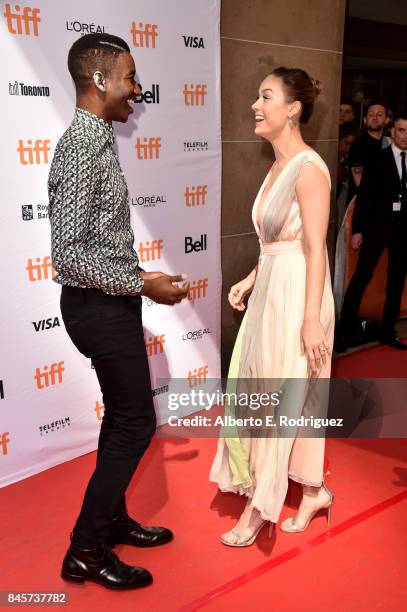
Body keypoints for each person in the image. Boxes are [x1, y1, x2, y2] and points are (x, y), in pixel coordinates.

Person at [48, 33, 189, 589]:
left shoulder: (99, 137)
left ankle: (109, 521)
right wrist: (140, 283)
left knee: (124, 420)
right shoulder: (81, 145)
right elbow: (69, 253)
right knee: (136, 422)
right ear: (101, 80)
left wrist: (134, 284)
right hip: (97, 308)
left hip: (110, 303)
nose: (137, 88)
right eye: (130, 77)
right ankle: (85, 549)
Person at [210, 67, 335, 546]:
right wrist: (250, 278)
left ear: (293, 109)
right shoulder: (275, 166)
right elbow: (276, 243)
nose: (255, 107)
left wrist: (310, 320)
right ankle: (313, 490)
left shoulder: (309, 168)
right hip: (271, 290)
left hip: (299, 296)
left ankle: (258, 509)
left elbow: (314, 249)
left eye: (266, 97)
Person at [336, 112, 407, 351]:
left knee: (396, 282)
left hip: (403, 232)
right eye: (401, 130)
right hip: (377, 228)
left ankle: (388, 331)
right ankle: (343, 331)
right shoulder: (378, 158)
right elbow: (364, 196)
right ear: (392, 132)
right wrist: (358, 231)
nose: (405, 136)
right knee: (361, 278)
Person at [347, 101, 390, 203]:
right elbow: (359, 183)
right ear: (365, 120)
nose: (375, 117)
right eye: (371, 114)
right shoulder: (358, 145)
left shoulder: (390, 144)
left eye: (379, 114)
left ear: (387, 120)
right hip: (363, 205)